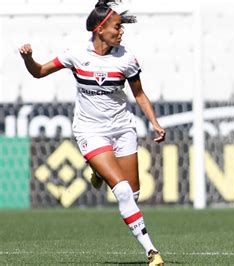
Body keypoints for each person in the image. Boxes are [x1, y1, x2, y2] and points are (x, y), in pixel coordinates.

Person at [19, 1, 165, 265]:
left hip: (122, 128)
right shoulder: (76, 55)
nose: (121, 31)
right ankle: (151, 251)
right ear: (99, 28)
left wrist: (154, 122)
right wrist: (28, 58)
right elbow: (39, 72)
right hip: (90, 130)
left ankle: (98, 171)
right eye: (117, 27)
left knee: (132, 195)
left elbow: (139, 94)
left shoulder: (126, 58)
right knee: (120, 191)